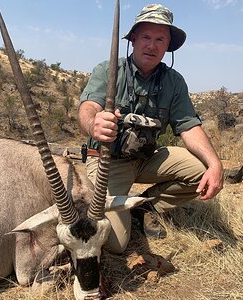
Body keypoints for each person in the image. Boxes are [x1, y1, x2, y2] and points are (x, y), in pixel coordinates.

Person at [78, 4, 224, 254]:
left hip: (147, 158)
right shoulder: (107, 69)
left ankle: (146, 207)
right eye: (146, 37)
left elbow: (189, 126)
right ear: (133, 39)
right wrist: (94, 124)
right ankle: (122, 209)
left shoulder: (174, 81)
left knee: (202, 169)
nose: (152, 45)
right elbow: (88, 108)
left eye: (160, 39)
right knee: (115, 244)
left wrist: (216, 164)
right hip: (108, 162)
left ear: (168, 46)